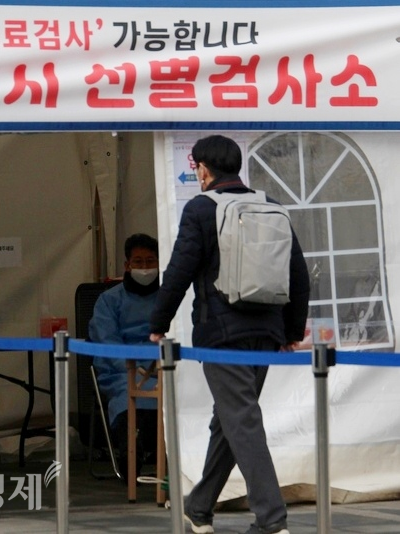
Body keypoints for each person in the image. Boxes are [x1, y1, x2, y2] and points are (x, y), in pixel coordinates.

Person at [149, 135, 310, 534]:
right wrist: (289, 331)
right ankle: (199, 507)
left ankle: (272, 520)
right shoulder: (271, 206)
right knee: (231, 420)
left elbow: (180, 271)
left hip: (222, 336)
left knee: (241, 421)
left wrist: (158, 323)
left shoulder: (201, 209)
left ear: (203, 169)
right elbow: (299, 276)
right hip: (266, 333)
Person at [88, 233, 161, 478]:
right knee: (128, 392)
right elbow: (106, 342)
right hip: (122, 370)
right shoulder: (108, 301)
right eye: (138, 262)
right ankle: (131, 456)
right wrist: (132, 368)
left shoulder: (169, 297)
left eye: (150, 261)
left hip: (163, 366)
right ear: (127, 266)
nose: (144, 267)